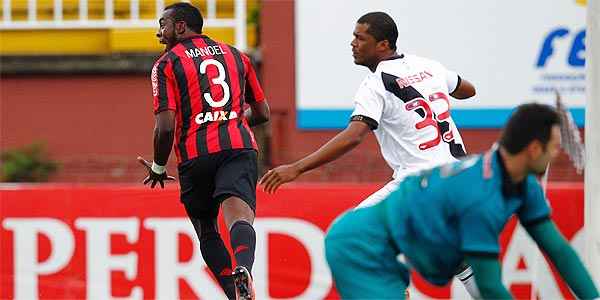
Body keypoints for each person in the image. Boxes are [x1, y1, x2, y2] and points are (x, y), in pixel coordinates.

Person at [259, 11, 479, 295]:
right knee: (458, 258)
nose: (353, 43)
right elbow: (468, 90)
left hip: (419, 182)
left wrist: (297, 168)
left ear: (383, 45)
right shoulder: (429, 66)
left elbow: (353, 136)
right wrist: (435, 93)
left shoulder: (376, 84)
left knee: (350, 234)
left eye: (360, 38)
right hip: (457, 176)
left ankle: (394, 290)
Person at [324, 103, 600, 299]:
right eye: (553, 146)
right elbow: (491, 287)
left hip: (404, 244)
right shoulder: (480, 197)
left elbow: (559, 251)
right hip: (361, 247)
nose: (556, 153)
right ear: (533, 149)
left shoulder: (523, 185)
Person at [137, 3, 270, 299]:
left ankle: (232, 293)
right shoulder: (238, 55)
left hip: (196, 155)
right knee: (239, 218)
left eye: (164, 25)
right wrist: (230, 120)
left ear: (181, 26)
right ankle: (244, 269)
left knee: (208, 229)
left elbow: (166, 126)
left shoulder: (167, 64)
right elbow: (262, 112)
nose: (160, 32)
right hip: (238, 146)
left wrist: (159, 167)